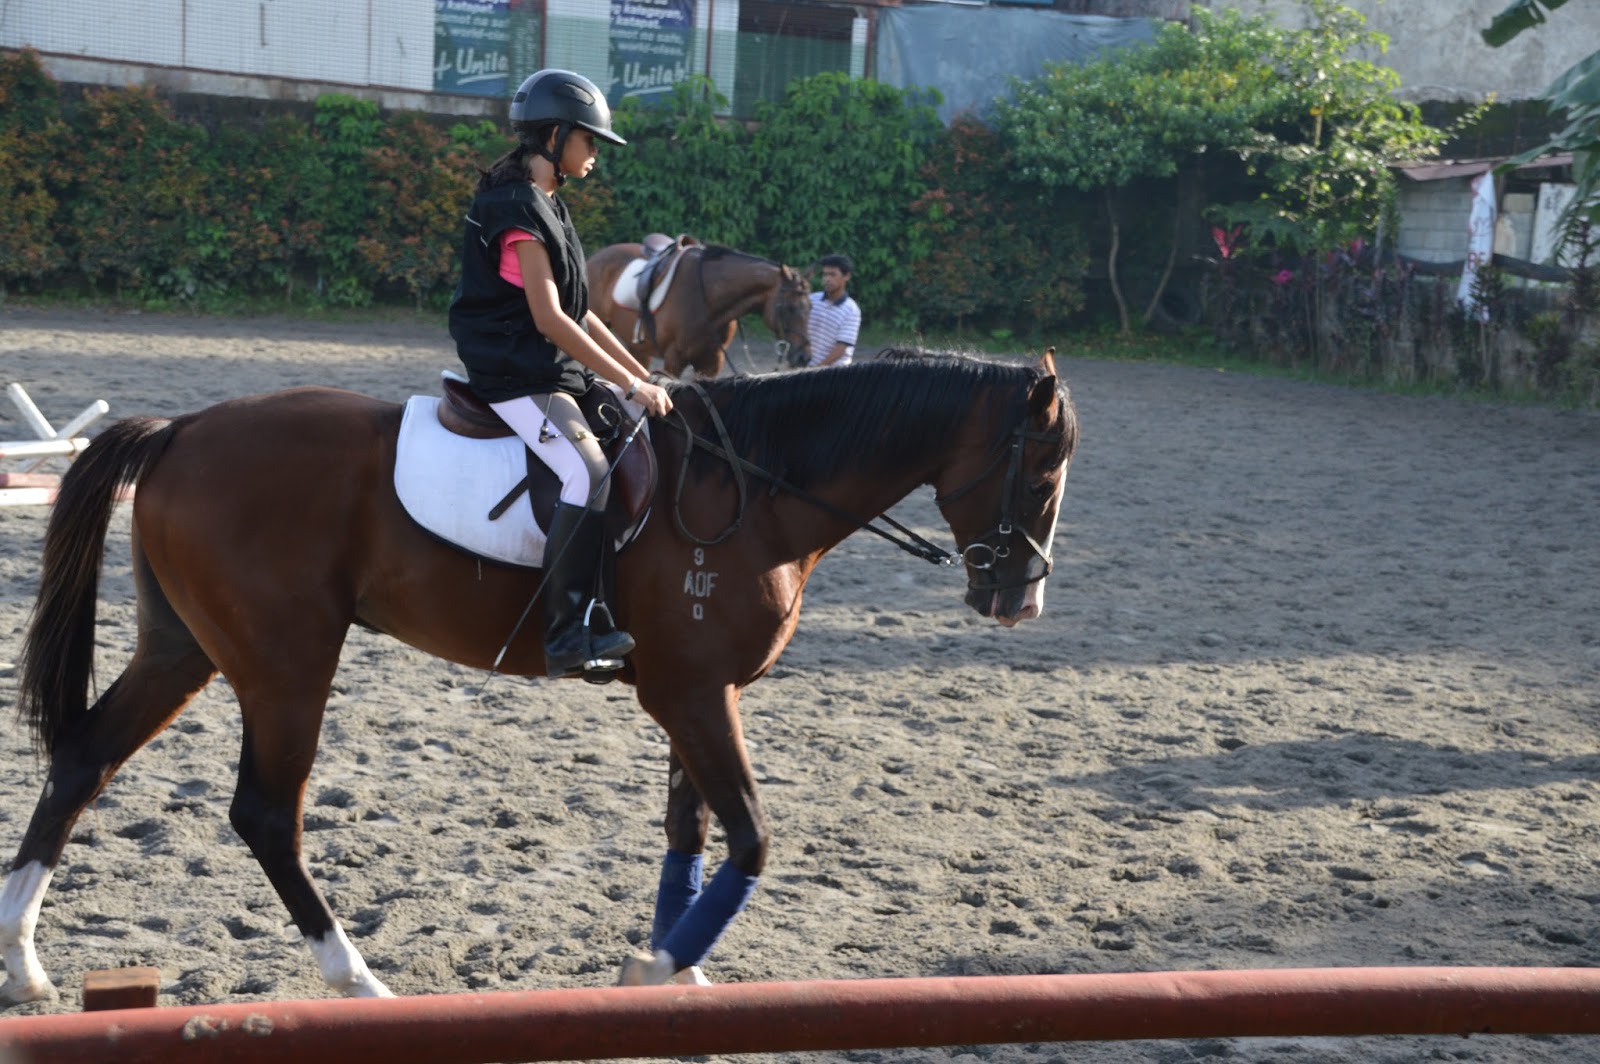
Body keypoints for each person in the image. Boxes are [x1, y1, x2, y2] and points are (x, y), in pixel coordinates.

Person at [449, 68, 672, 680]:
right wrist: (630, 384)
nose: (596, 152)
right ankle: (564, 632)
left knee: (621, 440)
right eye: (589, 140)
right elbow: (550, 320)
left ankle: (601, 611)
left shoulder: (549, 203)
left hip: (547, 367)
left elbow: (584, 314)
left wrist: (643, 377)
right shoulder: (515, 208)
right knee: (587, 471)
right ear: (554, 136)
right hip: (514, 370)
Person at [805, 253, 862, 368]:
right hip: (805, 367)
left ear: (846, 276)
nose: (827, 279)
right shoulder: (811, 300)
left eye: (832, 275)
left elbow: (841, 348)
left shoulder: (851, 310)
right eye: (825, 275)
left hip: (834, 372)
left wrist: (816, 370)